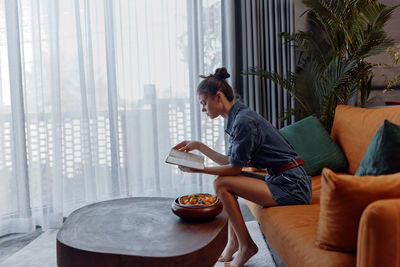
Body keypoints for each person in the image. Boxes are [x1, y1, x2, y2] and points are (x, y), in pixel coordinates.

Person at [173, 67, 312, 267]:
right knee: (223, 182)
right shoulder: (237, 117)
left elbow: (233, 170)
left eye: (204, 103)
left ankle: (246, 246)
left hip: (292, 185)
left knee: (222, 183)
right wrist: (200, 147)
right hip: (282, 178)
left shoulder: (243, 121)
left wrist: (198, 169)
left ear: (218, 96)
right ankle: (233, 243)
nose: (203, 109)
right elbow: (231, 161)